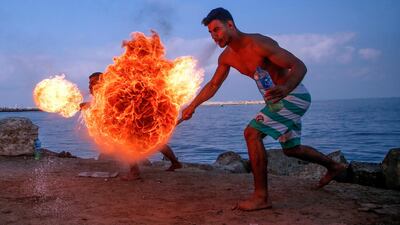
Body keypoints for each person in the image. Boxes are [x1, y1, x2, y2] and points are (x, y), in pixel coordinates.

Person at [180, 8, 347, 211]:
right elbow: (213, 85)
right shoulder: (226, 58)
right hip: (276, 102)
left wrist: (285, 87)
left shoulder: (258, 44)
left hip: (293, 96)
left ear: (230, 25)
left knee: (252, 134)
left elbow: (299, 66)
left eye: (217, 30)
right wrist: (192, 106)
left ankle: (261, 197)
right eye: (211, 33)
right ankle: (334, 166)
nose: (214, 36)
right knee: (292, 149)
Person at [81, 72, 182, 180]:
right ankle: (175, 163)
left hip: (136, 119)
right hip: (133, 120)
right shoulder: (102, 92)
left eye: (93, 82)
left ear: (102, 81)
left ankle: (135, 172)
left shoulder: (111, 89)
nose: (90, 85)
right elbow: (103, 105)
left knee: (128, 144)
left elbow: (114, 104)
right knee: (155, 143)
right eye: (90, 83)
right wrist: (88, 105)